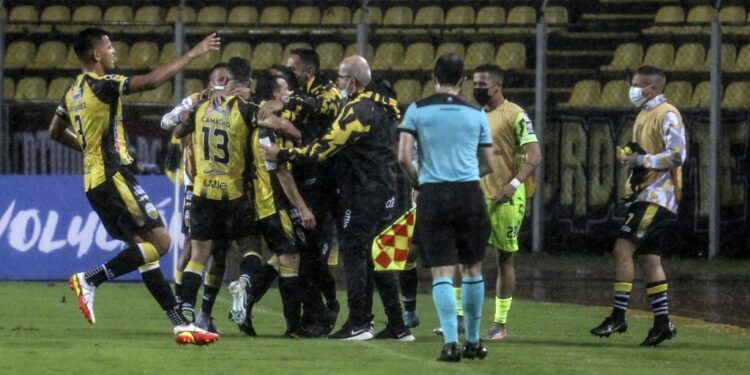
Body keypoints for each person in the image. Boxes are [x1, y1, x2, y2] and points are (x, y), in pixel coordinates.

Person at [48, 28, 220, 345]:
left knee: (144, 252)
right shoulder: (104, 85)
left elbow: (55, 132)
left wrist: (89, 150)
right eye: (110, 46)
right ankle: (89, 279)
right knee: (162, 242)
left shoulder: (72, 92)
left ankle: (180, 325)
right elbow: (151, 81)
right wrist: (194, 53)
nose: (114, 51)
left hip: (94, 181)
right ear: (97, 54)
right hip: (113, 176)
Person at [262, 55, 413, 342]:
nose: (337, 82)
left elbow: (322, 149)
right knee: (378, 257)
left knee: (355, 254)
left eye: (342, 77)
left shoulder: (358, 110)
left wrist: (282, 154)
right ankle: (397, 325)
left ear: (352, 81)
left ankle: (359, 322)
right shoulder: (383, 103)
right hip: (387, 188)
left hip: (362, 191)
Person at [397, 53, 493, 361]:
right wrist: (465, 177)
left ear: (433, 77)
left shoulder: (417, 110)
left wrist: (419, 182)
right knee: (472, 268)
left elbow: (402, 157)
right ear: (463, 80)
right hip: (468, 194)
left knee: (442, 271)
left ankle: (451, 343)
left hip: (434, 194)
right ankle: (475, 341)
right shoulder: (476, 112)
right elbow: (489, 164)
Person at [590, 65, 686, 347]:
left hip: (658, 197)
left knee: (622, 248)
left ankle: (619, 316)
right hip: (647, 194)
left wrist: (643, 161)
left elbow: (678, 154)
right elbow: (652, 152)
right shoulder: (645, 114)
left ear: (652, 88)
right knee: (650, 259)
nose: (632, 90)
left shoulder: (667, 113)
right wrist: (631, 154)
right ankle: (661, 323)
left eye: (636, 85)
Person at [227, 71, 310, 338]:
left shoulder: (267, 121)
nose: (289, 93)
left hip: (268, 203)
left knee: (281, 258)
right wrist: (302, 207)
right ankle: (293, 328)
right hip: (273, 204)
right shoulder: (266, 128)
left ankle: (246, 301)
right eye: (285, 89)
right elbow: (280, 172)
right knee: (290, 259)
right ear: (274, 93)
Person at [473, 64, 542, 341]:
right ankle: (461, 318)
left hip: (506, 197)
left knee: (504, 258)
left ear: (498, 85)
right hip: (478, 195)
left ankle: (500, 323)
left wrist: (514, 185)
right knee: (466, 257)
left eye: (483, 84)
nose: (477, 88)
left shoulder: (515, 114)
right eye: (475, 83)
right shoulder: (476, 115)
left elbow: (534, 154)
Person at [162, 62, 229, 334]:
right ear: (209, 83)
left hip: (228, 189)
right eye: (219, 79)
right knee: (191, 246)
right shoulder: (195, 101)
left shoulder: (236, 105)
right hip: (197, 185)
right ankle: (181, 306)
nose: (223, 83)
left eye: (227, 79)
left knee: (220, 251)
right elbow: (166, 121)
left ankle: (204, 314)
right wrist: (189, 109)